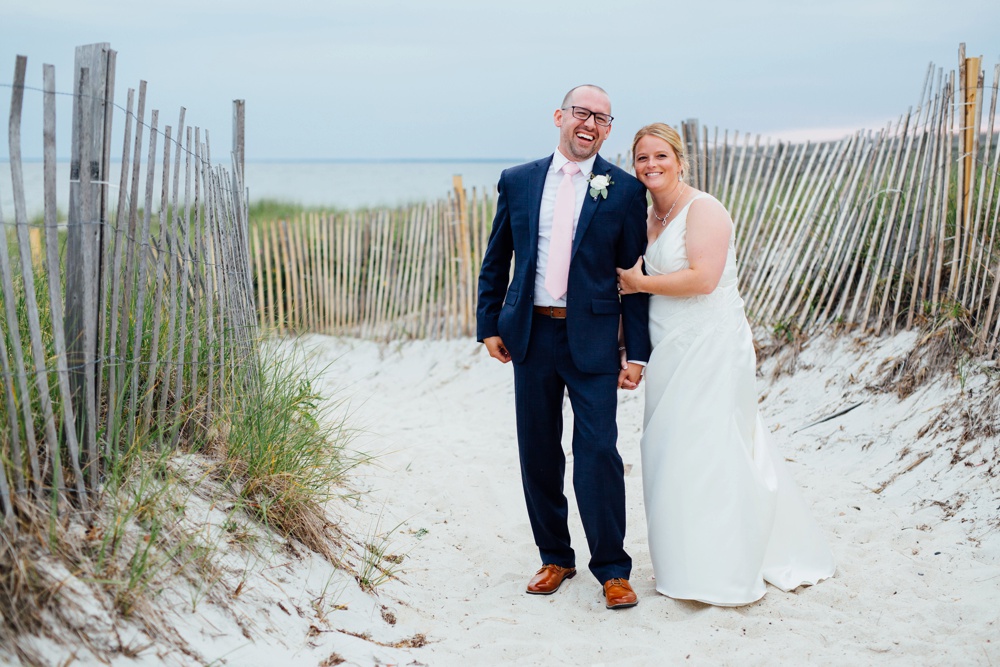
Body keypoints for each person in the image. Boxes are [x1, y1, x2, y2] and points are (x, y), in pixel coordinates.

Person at [616, 123, 835, 606]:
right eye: (641, 159)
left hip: (711, 344)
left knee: (709, 448)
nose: (650, 166)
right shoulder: (648, 215)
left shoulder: (704, 208)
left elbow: (703, 279)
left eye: (660, 156)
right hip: (668, 345)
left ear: (679, 159)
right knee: (668, 449)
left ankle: (719, 567)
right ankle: (683, 562)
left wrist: (639, 284)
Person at [476, 85, 651, 610]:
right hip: (531, 334)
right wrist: (489, 323)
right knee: (538, 450)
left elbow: (633, 277)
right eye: (582, 112)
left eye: (602, 118)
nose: (590, 124)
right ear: (560, 116)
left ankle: (613, 570)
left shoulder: (621, 189)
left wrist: (636, 352)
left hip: (594, 338)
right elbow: (497, 258)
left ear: (607, 129)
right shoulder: (519, 180)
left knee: (598, 451)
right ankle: (555, 556)